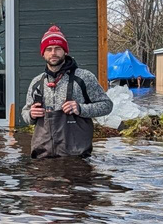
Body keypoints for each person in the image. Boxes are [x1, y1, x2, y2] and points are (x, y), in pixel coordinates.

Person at [22, 25, 113, 158]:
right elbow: (25, 113)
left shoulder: (83, 77)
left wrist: (80, 108)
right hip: (43, 158)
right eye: (49, 49)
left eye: (58, 48)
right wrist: (31, 114)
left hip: (76, 158)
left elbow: (107, 105)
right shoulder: (37, 82)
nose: (53, 53)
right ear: (43, 54)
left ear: (65, 51)